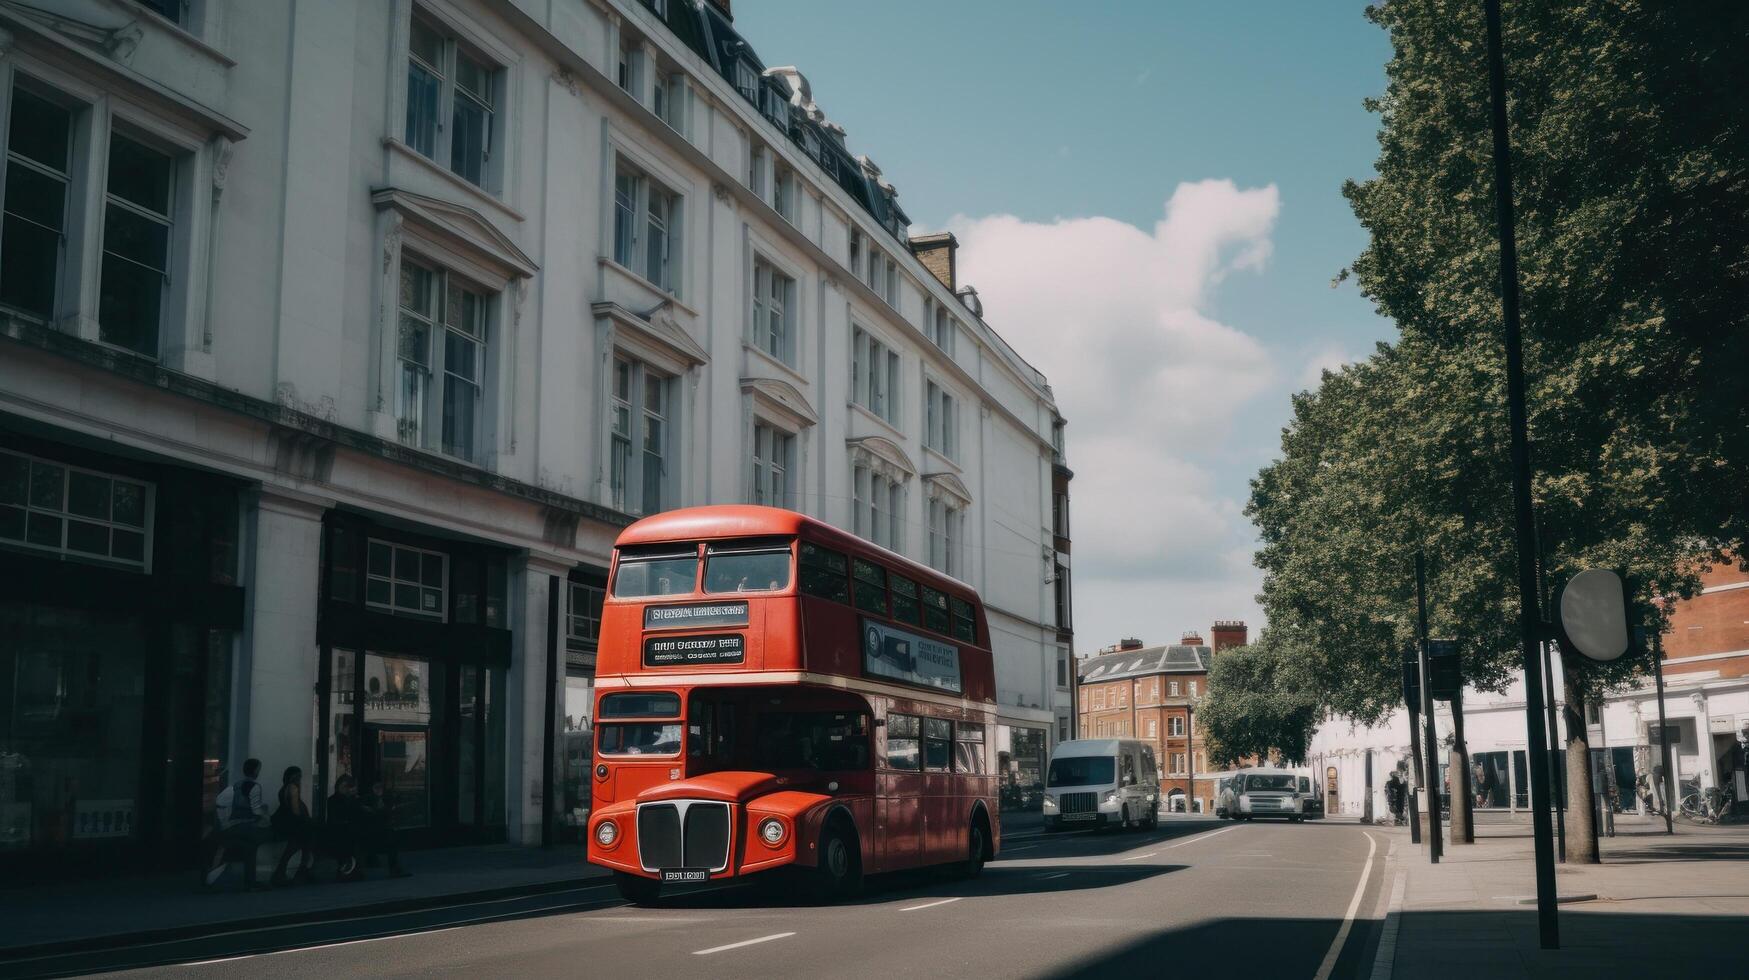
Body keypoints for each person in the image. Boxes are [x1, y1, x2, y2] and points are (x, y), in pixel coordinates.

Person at [209, 758, 270, 890]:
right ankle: (250, 880)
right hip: (245, 825)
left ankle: (248, 880)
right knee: (254, 843)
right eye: (258, 769)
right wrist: (264, 814)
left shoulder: (236, 785)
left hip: (232, 825)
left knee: (249, 846)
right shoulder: (255, 787)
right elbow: (256, 810)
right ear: (255, 771)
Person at [270, 766, 317, 886]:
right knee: (304, 842)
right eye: (299, 776)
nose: (300, 779)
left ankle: (283, 872)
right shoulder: (293, 788)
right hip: (294, 824)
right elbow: (295, 810)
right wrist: (305, 820)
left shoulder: (283, 788)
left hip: (286, 823)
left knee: (297, 846)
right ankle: (301, 871)